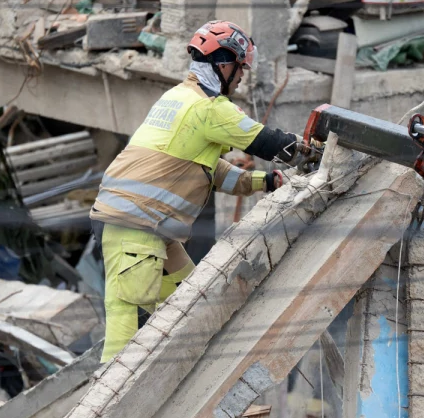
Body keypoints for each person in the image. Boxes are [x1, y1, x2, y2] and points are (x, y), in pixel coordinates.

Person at [90, 20, 309, 362]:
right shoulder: (210, 109)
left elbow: (211, 171)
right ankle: (110, 398)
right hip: (134, 230)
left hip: (146, 228)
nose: (242, 77)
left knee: (192, 309)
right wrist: (312, 150)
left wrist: (266, 183)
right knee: (125, 343)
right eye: (240, 68)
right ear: (224, 64)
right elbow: (269, 142)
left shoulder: (179, 97)